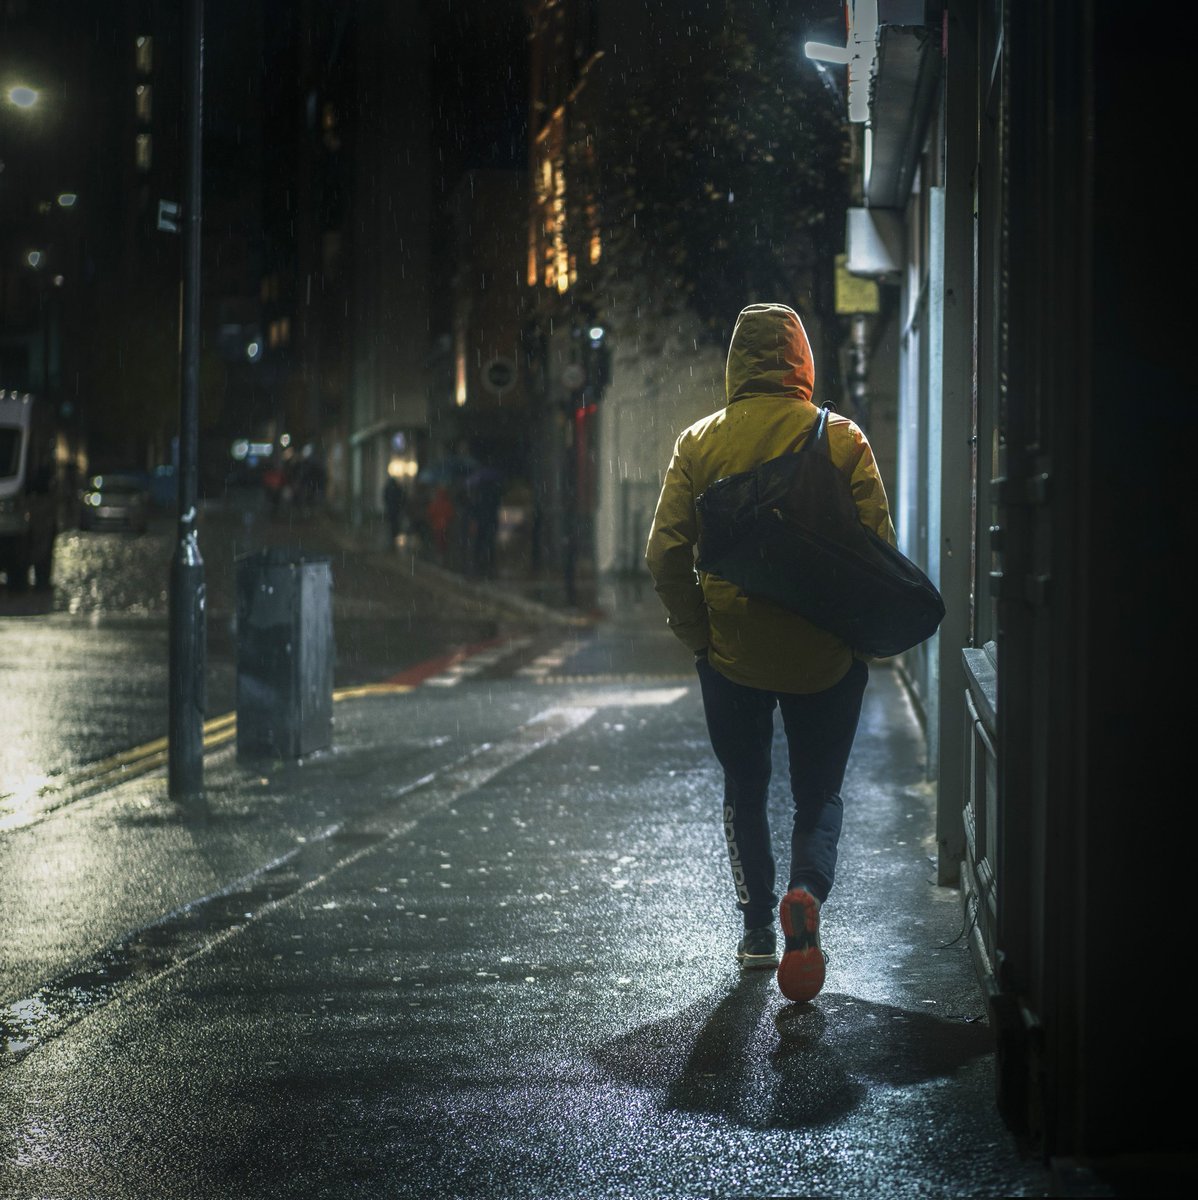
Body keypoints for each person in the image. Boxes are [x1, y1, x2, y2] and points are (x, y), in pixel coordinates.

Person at [644, 302, 896, 1004]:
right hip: (822, 651)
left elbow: (664, 554)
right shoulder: (842, 440)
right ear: (801, 360)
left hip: (733, 653)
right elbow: (877, 555)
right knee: (818, 793)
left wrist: (700, 632)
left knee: (745, 788)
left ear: (735, 363)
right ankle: (804, 895)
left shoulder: (699, 442)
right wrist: (850, 636)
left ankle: (757, 932)